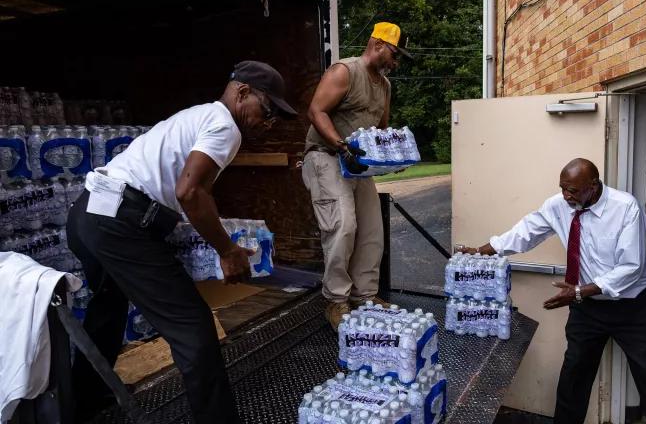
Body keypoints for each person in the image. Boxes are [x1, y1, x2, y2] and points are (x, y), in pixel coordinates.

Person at [66, 61, 297, 423]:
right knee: (193, 326)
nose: (267, 122)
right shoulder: (225, 126)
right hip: (119, 222)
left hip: (87, 214)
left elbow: (186, 192)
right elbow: (189, 191)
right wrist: (227, 250)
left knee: (107, 309)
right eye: (266, 109)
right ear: (242, 92)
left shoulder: (199, 116)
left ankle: (83, 401)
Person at [463, 158, 646, 424]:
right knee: (574, 375)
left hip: (634, 307)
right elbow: (526, 231)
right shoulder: (558, 205)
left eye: (573, 190)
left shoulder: (625, 208)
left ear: (593, 186)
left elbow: (631, 267)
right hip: (588, 309)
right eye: (563, 188)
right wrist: (482, 250)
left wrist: (578, 292)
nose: (566, 195)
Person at [302, 22, 411, 330]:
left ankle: (365, 296)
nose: (395, 62)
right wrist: (340, 144)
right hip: (325, 156)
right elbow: (316, 111)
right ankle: (336, 301)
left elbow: (381, 131)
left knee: (373, 231)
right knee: (344, 224)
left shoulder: (385, 87)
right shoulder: (344, 72)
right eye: (394, 54)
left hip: (357, 164)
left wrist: (393, 157)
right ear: (377, 45)